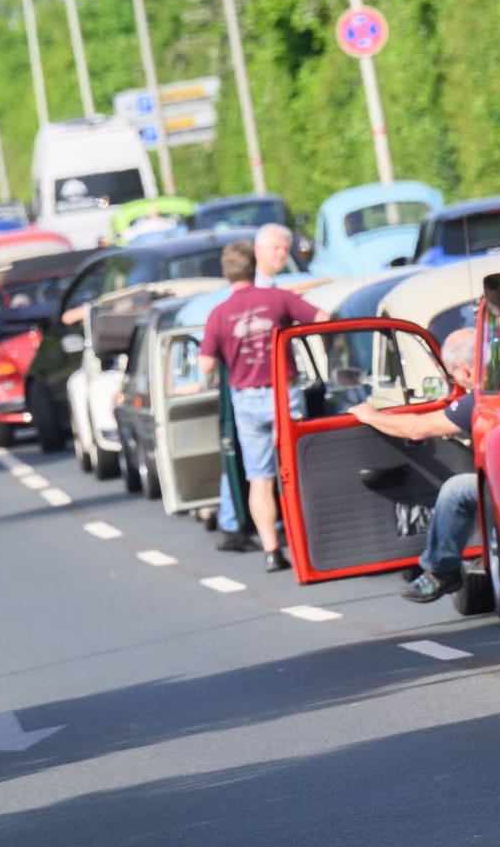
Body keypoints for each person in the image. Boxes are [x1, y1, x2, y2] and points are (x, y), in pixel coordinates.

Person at [197, 240, 329, 573]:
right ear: (253, 265)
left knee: (260, 479)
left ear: (226, 273)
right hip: (284, 395)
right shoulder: (278, 299)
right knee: (298, 468)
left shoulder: (218, 314)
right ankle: (310, 541)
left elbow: (205, 365)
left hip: (246, 400)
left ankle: (272, 550)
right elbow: (322, 318)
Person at [346, 328, 480, 604]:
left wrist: (370, 415)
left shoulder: (481, 399)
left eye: (453, 374)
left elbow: (418, 429)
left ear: (464, 370)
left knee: (456, 490)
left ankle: (441, 571)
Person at [214, 223, 297, 551]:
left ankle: (256, 534)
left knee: (257, 468)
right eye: (276, 248)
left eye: (285, 248)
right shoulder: (265, 294)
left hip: (249, 392)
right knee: (269, 466)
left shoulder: (267, 291)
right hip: (271, 390)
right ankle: (236, 521)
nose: (283, 254)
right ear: (257, 252)